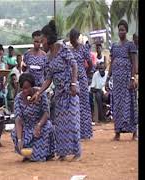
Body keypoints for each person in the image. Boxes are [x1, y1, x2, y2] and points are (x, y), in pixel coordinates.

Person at [30, 20, 81, 161]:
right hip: (59, 93)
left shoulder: (62, 48)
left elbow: (74, 65)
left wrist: (73, 83)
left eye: (42, 40)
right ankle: (63, 153)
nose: (41, 44)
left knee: (72, 122)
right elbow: (48, 78)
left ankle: (76, 153)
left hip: (70, 91)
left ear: (48, 39)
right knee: (61, 124)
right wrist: (39, 92)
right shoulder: (47, 57)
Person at [105, 20, 138, 141]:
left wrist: (133, 78)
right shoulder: (114, 46)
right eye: (119, 30)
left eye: (123, 30)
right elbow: (112, 63)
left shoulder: (131, 45)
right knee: (117, 105)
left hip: (127, 80)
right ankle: (117, 132)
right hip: (117, 82)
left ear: (126, 31)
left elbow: (134, 63)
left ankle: (134, 132)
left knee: (130, 104)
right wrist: (108, 78)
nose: (121, 32)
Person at [11, 73, 55, 162]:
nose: (25, 90)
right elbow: (18, 119)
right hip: (27, 126)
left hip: (40, 124)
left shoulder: (41, 94)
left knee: (48, 127)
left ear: (32, 86)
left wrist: (39, 125)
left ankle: (45, 153)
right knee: (14, 132)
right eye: (23, 88)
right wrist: (19, 140)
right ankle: (27, 154)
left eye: (27, 88)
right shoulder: (18, 99)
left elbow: (46, 113)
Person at [69, 28, 93, 140]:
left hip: (82, 80)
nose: (72, 41)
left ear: (76, 38)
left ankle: (86, 133)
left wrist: (85, 75)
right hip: (73, 81)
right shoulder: (69, 51)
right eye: (70, 39)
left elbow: (90, 64)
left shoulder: (83, 49)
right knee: (75, 106)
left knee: (84, 106)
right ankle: (76, 133)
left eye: (73, 38)